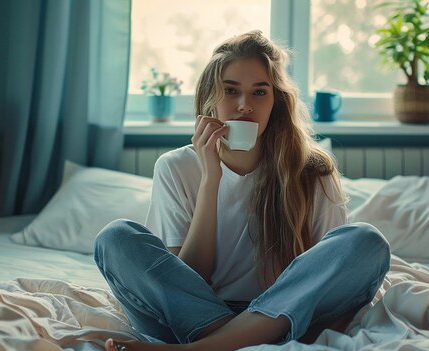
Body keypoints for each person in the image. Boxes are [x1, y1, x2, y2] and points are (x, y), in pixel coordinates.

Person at [94, 30, 390, 351]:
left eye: (260, 92)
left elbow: (323, 275)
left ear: (276, 103)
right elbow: (187, 280)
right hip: (194, 318)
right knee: (115, 238)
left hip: (282, 315)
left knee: (366, 241)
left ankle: (204, 348)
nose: (245, 105)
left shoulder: (312, 169)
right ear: (210, 99)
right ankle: (235, 341)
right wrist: (211, 179)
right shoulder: (176, 167)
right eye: (231, 91)